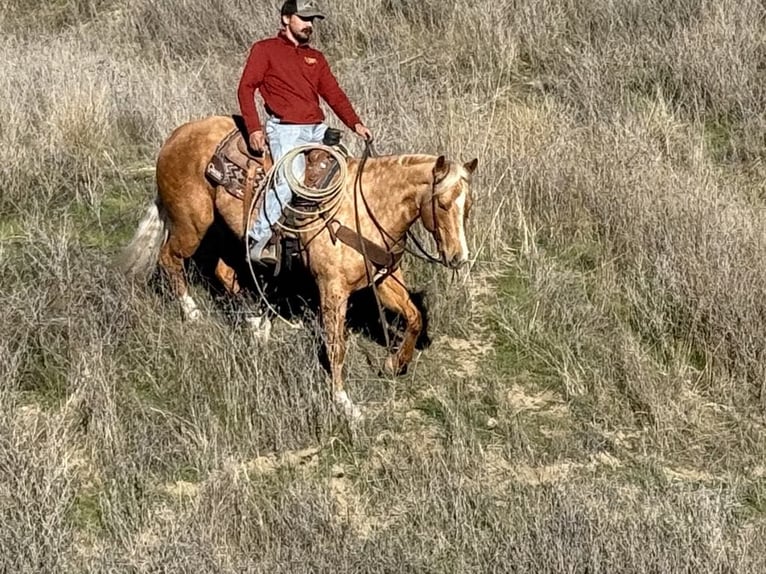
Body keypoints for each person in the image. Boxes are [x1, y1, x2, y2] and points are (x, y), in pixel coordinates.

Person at [238, 0, 373, 265]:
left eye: (312, 20)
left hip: (316, 129)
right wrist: (254, 128)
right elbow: (245, 88)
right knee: (291, 179)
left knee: (346, 173)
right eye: (304, 18)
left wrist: (355, 124)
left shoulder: (316, 58)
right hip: (286, 129)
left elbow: (333, 94)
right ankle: (257, 237)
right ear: (287, 18)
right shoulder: (265, 50)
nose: (309, 25)